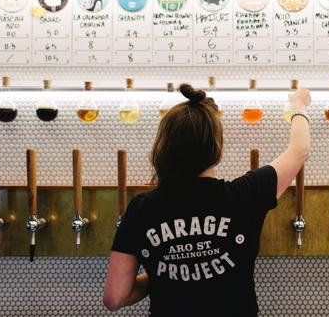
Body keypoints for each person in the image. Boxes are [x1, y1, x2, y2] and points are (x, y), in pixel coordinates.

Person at [103, 83, 311, 316]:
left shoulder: (141, 209)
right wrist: (298, 105)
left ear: (164, 147)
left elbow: (114, 297)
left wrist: (164, 274)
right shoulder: (244, 195)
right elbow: (299, 150)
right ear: (218, 149)